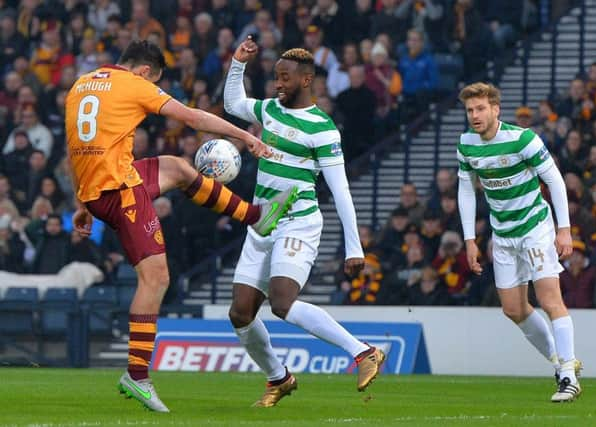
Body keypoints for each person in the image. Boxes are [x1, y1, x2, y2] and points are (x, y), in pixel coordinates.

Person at [65, 40, 298, 412]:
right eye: (154, 80)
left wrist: (82, 201)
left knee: (177, 168)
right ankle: (137, 376)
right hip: (119, 191)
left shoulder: (83, 83)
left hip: (98, 187)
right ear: (145, 72)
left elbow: (77, 144)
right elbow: (193, 118)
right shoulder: (134, 84)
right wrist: (245, 136)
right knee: (155, 278)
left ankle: (256, 216)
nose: (153, 85)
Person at [224, 37, 385, 407]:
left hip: (298, 221)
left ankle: (363, 352)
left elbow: (340, 189)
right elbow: (233, 103)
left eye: (285, 78)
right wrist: (237, 64)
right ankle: (278, 378)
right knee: (240, 313)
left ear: (306, 79)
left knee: (282, 303)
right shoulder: (269, 110)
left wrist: (353, 245)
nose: (278, 83)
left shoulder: (323, 129)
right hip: (263, 222)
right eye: (276, 77)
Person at [456, 82, 582, 402]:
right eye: (470, 110)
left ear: (496, 109)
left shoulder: (522, 139)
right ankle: (559, 361)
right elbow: (467, 190)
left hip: (535, 227)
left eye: (481, 108)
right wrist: (470, 239)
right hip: (503, 234)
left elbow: (554, 179)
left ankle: (568, 375)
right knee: (513, 309)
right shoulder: (467, 144)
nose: (475, 115)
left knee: (549, 299)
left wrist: (564, 229)